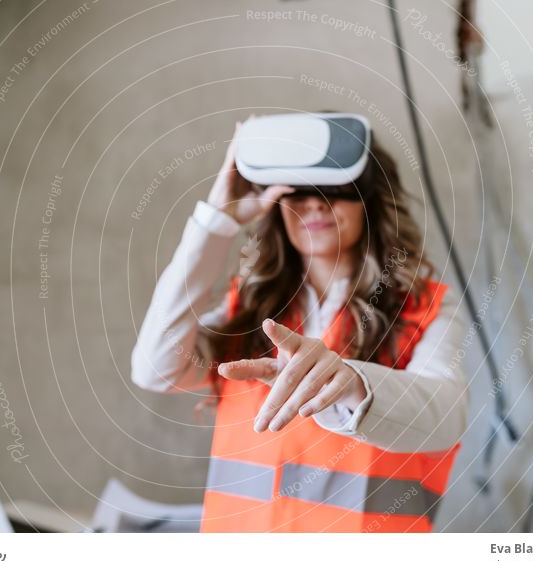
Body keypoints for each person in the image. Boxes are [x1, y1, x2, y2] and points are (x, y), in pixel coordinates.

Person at [131, 115, 469, 532]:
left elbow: (445, 416)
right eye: (297, 190)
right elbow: (154, 368)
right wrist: (216, 222)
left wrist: (350, 382)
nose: (314, 204)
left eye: (336, 190)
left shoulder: (425, 307)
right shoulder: (249, 309)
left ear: (370, 201)